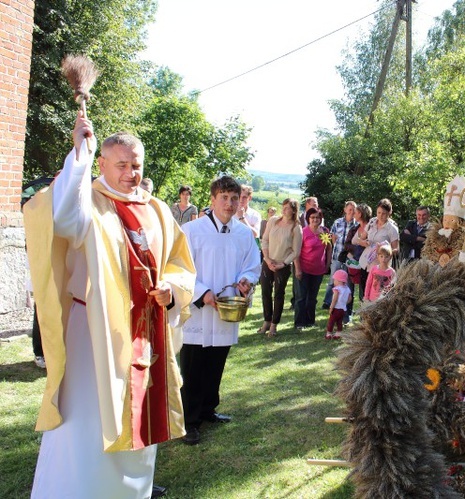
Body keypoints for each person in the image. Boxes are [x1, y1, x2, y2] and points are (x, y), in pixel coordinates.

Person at [24, 112, 196, 498]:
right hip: (94, 335)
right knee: (87, 426)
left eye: (136, 165)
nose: (131, 173)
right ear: (102, 164)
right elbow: (62, 217)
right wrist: (79, 153)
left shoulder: (157, 211)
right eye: (122, 165)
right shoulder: (89, 203)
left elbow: (180, 264)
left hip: (145, 333)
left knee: (138, 423)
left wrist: (171, 289)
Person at [179, 176, 261, 446]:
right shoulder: (192, 231)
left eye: (234, 198)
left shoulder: (243, 234)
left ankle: (207, 409)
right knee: (193, 367)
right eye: (224, 197)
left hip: (227, 308)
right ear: (212, 199)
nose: (229, 203)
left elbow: (252, 264)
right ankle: (188, 421)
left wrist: (247, 280)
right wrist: (203, 292)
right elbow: (181, 268)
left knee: (216, 362)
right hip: (200, 310)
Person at [259, 198, 302, 337]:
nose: (284, 209)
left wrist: (283, 263)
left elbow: (296, 251)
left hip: (282, 265)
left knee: (278, 294)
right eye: (283, 206)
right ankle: (266, 320)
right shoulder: (273, 221)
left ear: (294, 210)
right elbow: (264, 240)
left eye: (288, 207)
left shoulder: (296, 227)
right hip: (268, 261)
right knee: (265, 291)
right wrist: (267, 259)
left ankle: (274, 325)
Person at [293, 207, 332, 329]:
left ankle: (310, 321)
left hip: (318, 270)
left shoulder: (325, 231)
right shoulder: (303, 232)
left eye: (317, 217)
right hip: (303, 269)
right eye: (312, 217)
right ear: (308, 219)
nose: (315, 219)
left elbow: (329, 248)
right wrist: (298, 269)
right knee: (301, 297)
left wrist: (327, 264)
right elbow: (296, 252)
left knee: (312, 297)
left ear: (321, 219)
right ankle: (300, 322)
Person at [322, 200, 357, 309]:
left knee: (347, 281)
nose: (351, 212)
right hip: (337, 255)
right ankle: (327, 302)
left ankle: (345, 304)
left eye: (353, 210)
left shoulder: (357, 224)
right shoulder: (338, 222)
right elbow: (333, 237)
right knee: (333, 279)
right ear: (345, 210)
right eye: (350, 209)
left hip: (350, 258)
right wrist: (336, 247)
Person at [354, 198, 399, 273]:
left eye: (384, 213)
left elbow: (396, 250)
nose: (380, 216)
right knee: (364, 284)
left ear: (389, 212)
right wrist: (363, 242)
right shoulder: (372, 222)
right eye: (379, 212)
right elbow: (360, 239)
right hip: (365, 262)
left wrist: (383, 250)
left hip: (381, 266)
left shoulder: (392, 228)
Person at [342, 203, 371, 316]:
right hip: (352, 263)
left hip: (367, 265)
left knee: (364, 291)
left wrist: (364, 249)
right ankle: (346, 316)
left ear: (362, 214)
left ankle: (364, 317)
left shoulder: (371, 228)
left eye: (356, 212)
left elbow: (371, 245)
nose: (353, 214)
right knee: (349, 289)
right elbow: (346, 245)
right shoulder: (354, 229)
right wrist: (358, 248)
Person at [325, 269, 351, 340]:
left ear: (339, 280)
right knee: (339, 321)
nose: (334, 282)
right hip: (343, 309)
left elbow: (334, 299)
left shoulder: (337, 289)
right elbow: (349, 299)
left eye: (335, 280)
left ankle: (329, 333)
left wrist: (331, 308)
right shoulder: (347, 289)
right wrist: (344, 303)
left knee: (331, 321)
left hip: (336, 308)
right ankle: (339, 333)